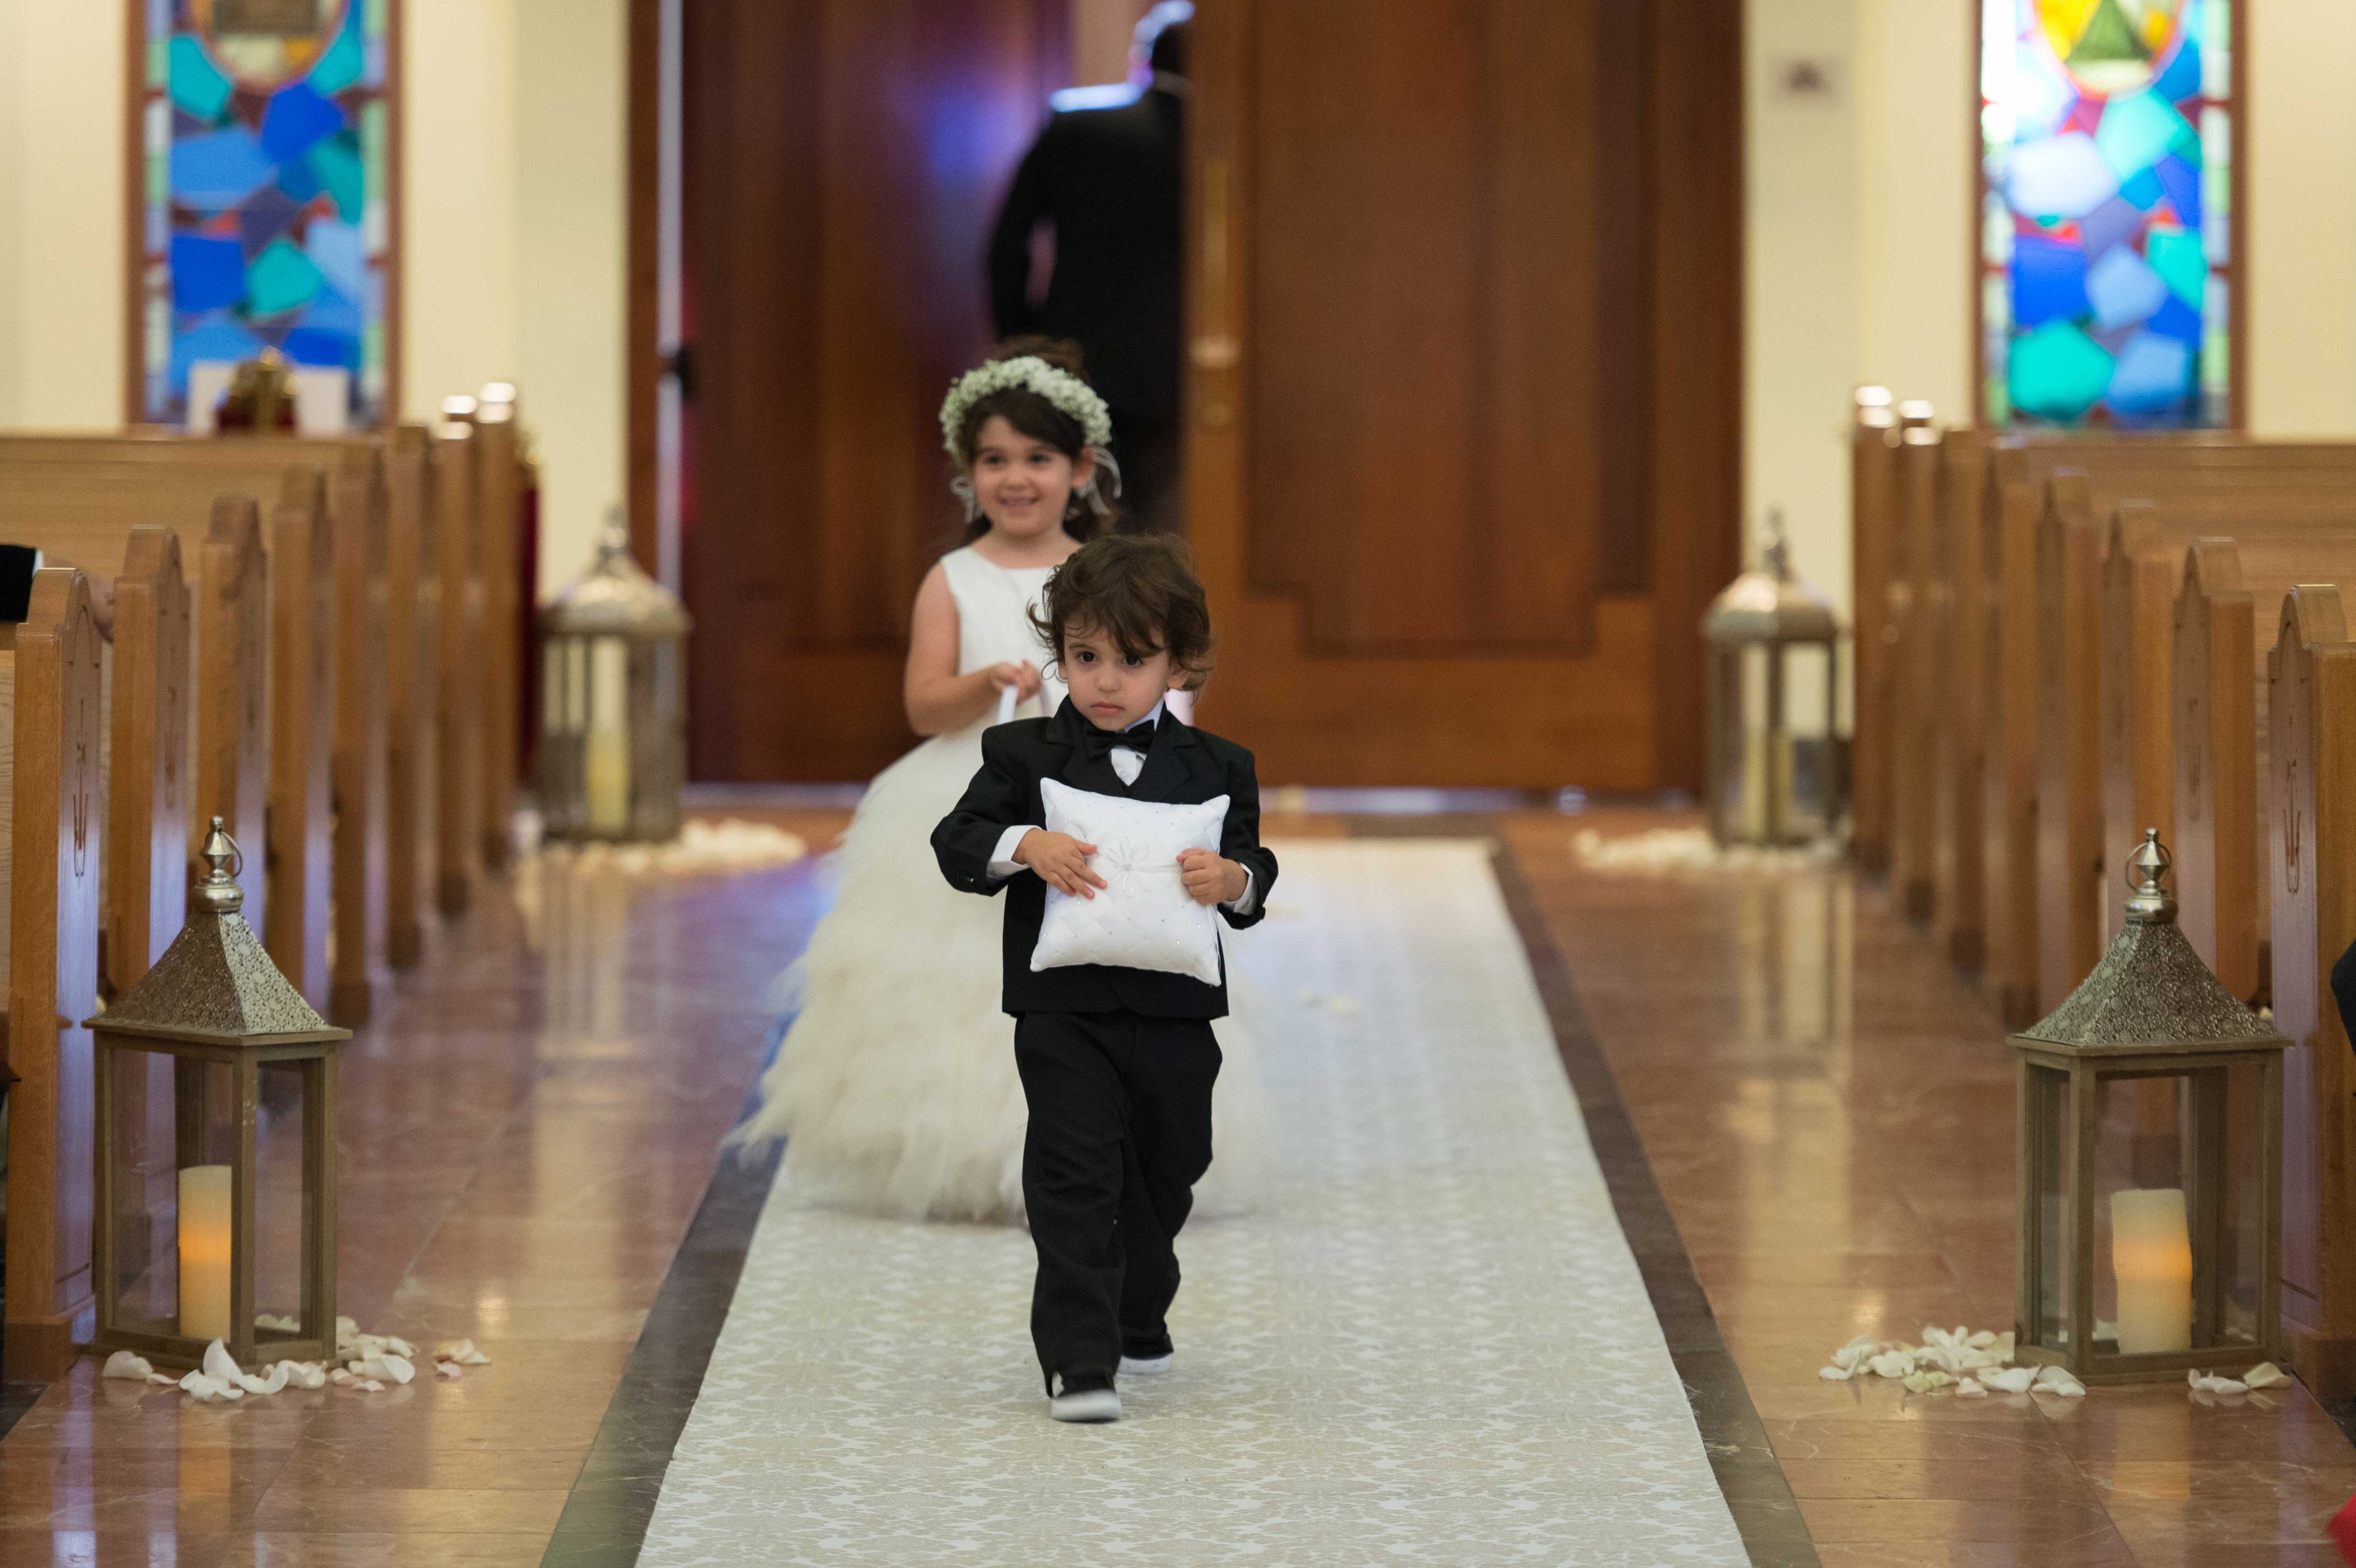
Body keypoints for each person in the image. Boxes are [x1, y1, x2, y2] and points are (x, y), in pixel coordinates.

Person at [733, 340, 1270, 1224]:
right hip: (977, 787)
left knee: (1110, 953)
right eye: (993, 460)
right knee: (969, 973)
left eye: (1037, 459)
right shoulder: (952, 579)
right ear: (966, 473)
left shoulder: (1107, 574)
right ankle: (968, 1150)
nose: (1015, 479)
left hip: (1099, 798)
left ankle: (1109, 1139)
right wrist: (983, 685)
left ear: (1080, 470)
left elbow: (1163, 682)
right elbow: (921, 704)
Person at [933, 532, 1276, 1424]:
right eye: (1085, 658)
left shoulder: (1219, 767)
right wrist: (1022, 845)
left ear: (1179, 664)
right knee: (1073, 1174)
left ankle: (1138, 1298)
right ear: (1061, 655)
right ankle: (1080, 1362)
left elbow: (1253, 866)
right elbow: (956, 844)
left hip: (1173, 1012)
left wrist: (1232, 882)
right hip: (1063, 1011)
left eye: (1133, 660)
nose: (1106, 681)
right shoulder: (1022, 755)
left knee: (1169, 1167)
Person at [987, 5, 1191, 534]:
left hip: (1078, 357)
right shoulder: (1225, 141)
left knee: (1081, 525)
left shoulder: (1073, 124)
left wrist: (1026, 340)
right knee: (1175, 525)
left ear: (1139, 60)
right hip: (1191, 364)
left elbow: (1008, 244)